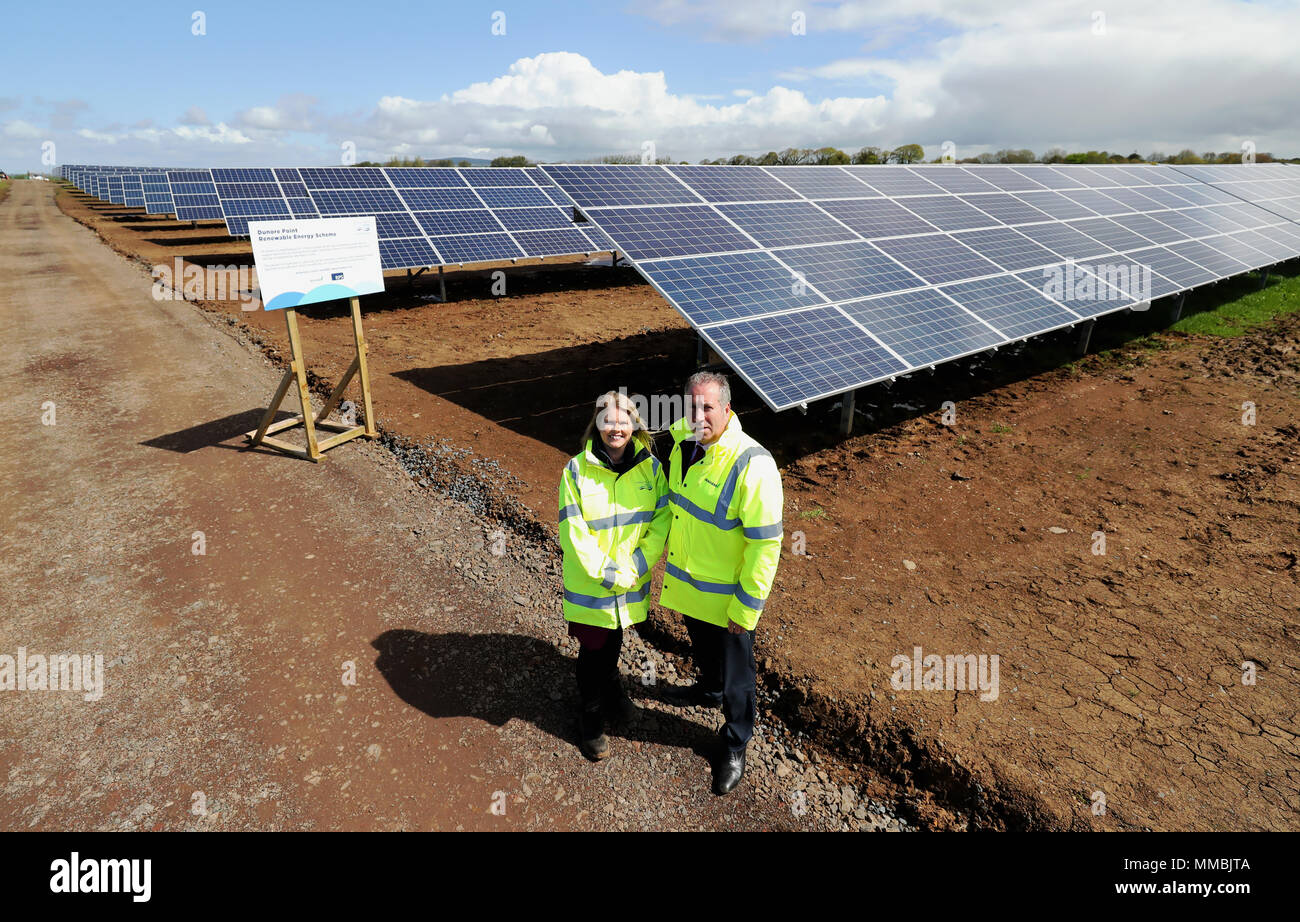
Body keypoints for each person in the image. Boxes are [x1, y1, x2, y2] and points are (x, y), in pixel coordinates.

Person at [660, 371, 783, 794]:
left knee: (738, 675)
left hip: (728, 599)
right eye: (691, 406)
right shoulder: (681, 440)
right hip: (692, 587)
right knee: (706, 654)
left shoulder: (753, 464)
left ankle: (734, 743)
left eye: (707, 407)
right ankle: (708, 690)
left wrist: (746, 609)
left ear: (727, 409)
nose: (698, 415)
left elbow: (765, 547)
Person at [558, 391, 670, 760]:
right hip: (593, 586)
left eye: (623, 421)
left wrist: (638, 566)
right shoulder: (576, 470)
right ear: (597, 424)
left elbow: (661, 519)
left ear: (635, 425)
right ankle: (590, 719)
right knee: (593, 652)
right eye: (608, 420)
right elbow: (573, 532)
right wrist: (609, 574)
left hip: (630, 581)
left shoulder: (651, 469)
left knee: (615, 639)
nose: (616, 427)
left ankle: (612, 690)